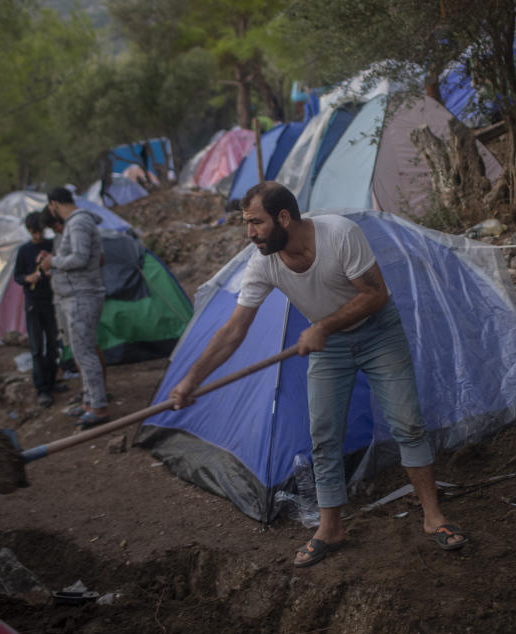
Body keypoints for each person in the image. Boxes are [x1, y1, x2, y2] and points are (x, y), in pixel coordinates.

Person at [169, 181, 467, 568]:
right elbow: (233, 331)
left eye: (256, 223)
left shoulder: (339, 234)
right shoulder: (263, 262)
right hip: (332, 348)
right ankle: (331, 528)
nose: (251, 234)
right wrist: (192, 380)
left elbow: (375, 294)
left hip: (378, 332)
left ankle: (433, 517)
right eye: (246, 224)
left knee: (407, 424)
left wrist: (323, 327)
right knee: (323, 436)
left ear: (284, 217)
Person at [39, 188, 109, 429]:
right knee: (81, 351)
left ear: (53, 204)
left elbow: (80, 258)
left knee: (85, 352)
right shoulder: (77, 222)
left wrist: (53, 262)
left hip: (82, 294)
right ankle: (90, 401)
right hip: (77, 294)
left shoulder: (77, 223)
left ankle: (99, 406)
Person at [13, 212, 60, 408]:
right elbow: (18, 276)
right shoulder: (24, 251)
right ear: (29, 231)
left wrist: (50, 273)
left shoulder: (51, 246)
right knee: (36, 345)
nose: (38, 236)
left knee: (53, 342)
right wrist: (28, 279)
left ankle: (52, 380)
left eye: (40, 232)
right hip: (33, 302)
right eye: (34, 233)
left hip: (51, 299)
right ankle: (41, 387)